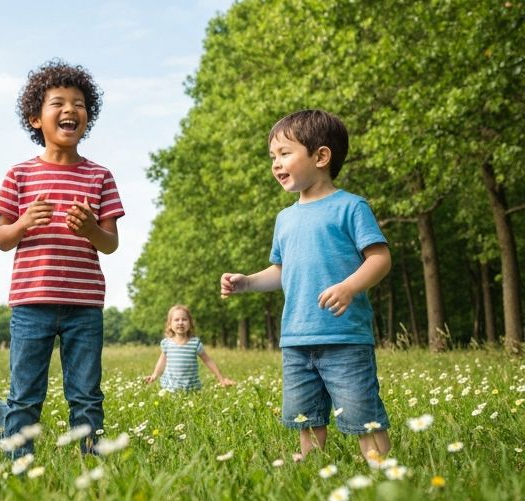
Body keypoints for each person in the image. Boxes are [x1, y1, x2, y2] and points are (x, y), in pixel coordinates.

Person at [220, 109, 391, 461]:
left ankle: (381, 469)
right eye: (273, 157)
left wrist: (348, 287)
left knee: (362, 413)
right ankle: (314, 469)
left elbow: (380, 259)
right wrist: (247, 283)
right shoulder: (285, 218)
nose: (276, 164)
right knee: (306, 416)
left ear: (321, 156)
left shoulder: (351, 207)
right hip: (297, 338)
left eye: (285, 153)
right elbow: (282, 271)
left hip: (344, 337)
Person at [0, 60, 124, 454]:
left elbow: (110, 243)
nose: (70, 110)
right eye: (58, 103)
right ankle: (19, 465)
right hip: (31, 303)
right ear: (36, 118)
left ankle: (90, 464)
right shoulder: (19, 176)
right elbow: (1, 238)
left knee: (86, 394)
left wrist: (89, 230)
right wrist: (24, 224)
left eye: (79, 104)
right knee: (24, 395)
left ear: (88, 116)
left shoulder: (99, 176)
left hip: (84, 305)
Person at [146, 304, 234, 391]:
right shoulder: (167, 343)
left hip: (191, 388)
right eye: (176, 320)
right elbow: (162, 361)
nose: (180, 322)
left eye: (184, 319)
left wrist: (221, 379)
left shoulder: (195, 343)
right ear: (170, 324)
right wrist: (154, 375)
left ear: (190, 323)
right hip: (170, 388)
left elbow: (208, 361)